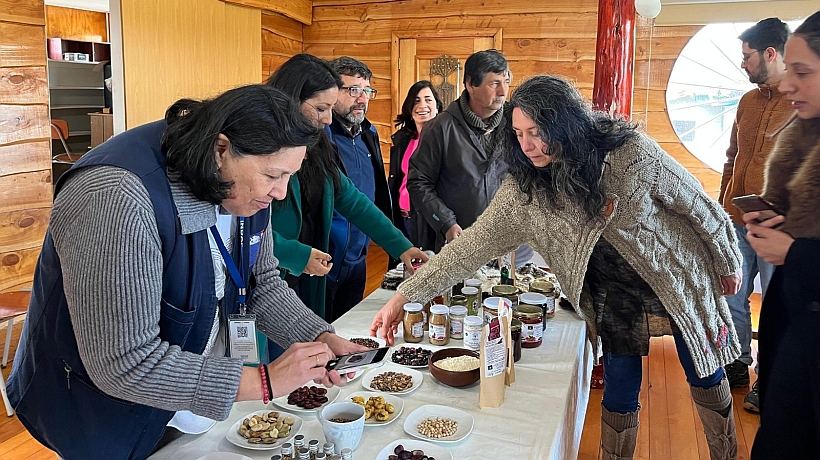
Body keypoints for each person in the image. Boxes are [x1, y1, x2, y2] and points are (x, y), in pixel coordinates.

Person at [372, 75, 743, 460]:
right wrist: (405, 296)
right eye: (517, 134)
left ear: (565, 123)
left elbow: (697, 203)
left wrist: (727, 260)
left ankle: (726, 452)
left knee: (703, 367)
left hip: (675, 277)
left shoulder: (628, 152)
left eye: (536, 131)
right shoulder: (525, 191)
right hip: (613, 294)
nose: (527, 145)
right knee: (619, 384)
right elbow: (469, 248)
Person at [7, 85, 365, 459]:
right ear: (221, 149)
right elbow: (125, 362)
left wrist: (320, 336)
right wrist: (264, 381)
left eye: (290, 175)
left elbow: (263, 284)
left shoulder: (245, 184)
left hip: (185, 396)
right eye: (274, 175)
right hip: (97, 410)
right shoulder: (115, 195)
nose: (280, 192)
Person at [265, 54, 426, 322]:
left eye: (330, 109)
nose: (328, 120)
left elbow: (353, 200)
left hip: (315, 268)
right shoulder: (259, 152)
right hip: (270, 279)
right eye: (320, 109)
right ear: (290, 101)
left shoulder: (317, 148)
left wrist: (402, 247)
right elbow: (241, 231)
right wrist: (295, 253)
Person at [745, 11, 820, 458]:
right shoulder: (803, 132)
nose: (788, 84)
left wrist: (795, 254)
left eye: (803, 72)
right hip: (795, 327)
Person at [718, 17, 792, 411]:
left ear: (770, 53)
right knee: (732, 295)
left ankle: (771, 381)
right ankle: (736, 362)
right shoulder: (747, 101)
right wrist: (721, 204)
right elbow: (733, 157)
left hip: (779, 226)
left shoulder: (802, 100)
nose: (742, 64)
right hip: (735, 218)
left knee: (777, 305)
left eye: (746, 57)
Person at [407, 49, 533, 265]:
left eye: (506, 81)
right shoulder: (440, 128)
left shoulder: (519, 123)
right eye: (494, 83)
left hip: (514, 248)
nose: (503, 91)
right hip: (462, 244)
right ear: (470, 84)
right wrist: (446, 223)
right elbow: (418, 183)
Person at [324, 56, 394, 321]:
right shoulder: (322, 137)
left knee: (347, 325)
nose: (362, 98)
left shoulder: (368, 133)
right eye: (353, 90)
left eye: (367, 91)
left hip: (358, 257)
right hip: (324, 260)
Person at [388, 80, 444, 248]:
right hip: (403, 219)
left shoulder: (445, 139)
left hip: (431, 221)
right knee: (402, 271)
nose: (422, 105)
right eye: (417, 100)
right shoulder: (402, 139)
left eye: (428, 99)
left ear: (437, 107)